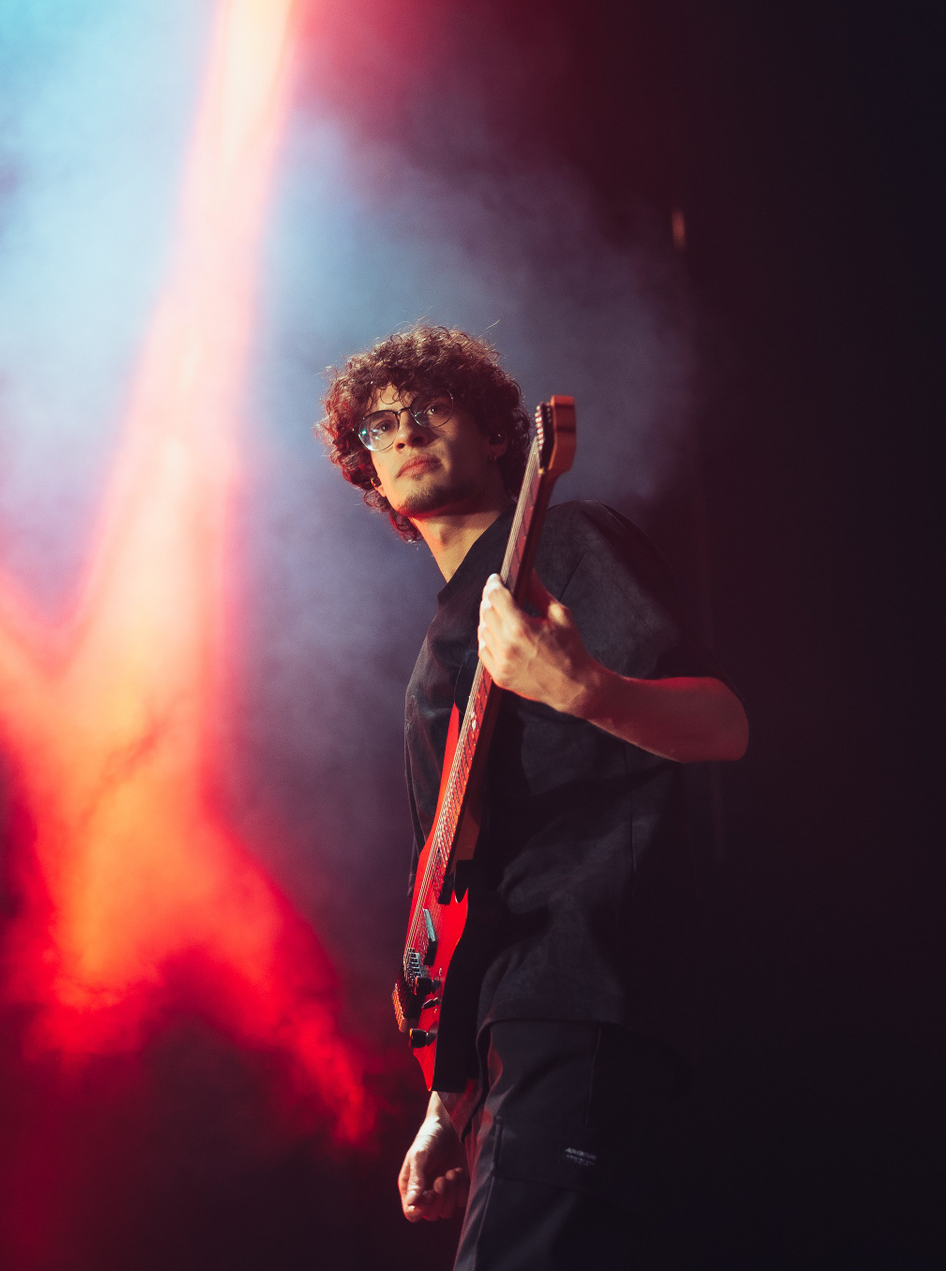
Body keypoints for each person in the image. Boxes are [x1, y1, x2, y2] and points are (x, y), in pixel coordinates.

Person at [317, 326, 747, 1269]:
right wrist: (448, 1101)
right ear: (371, 479)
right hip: (512, 1044)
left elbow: (724, 724)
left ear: (498, 434)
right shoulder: (433, 663)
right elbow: (454, 893)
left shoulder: (565, 543)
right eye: (380, 426)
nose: (405, 430)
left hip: (583, 997)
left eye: (430, 407)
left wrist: (586, 689)